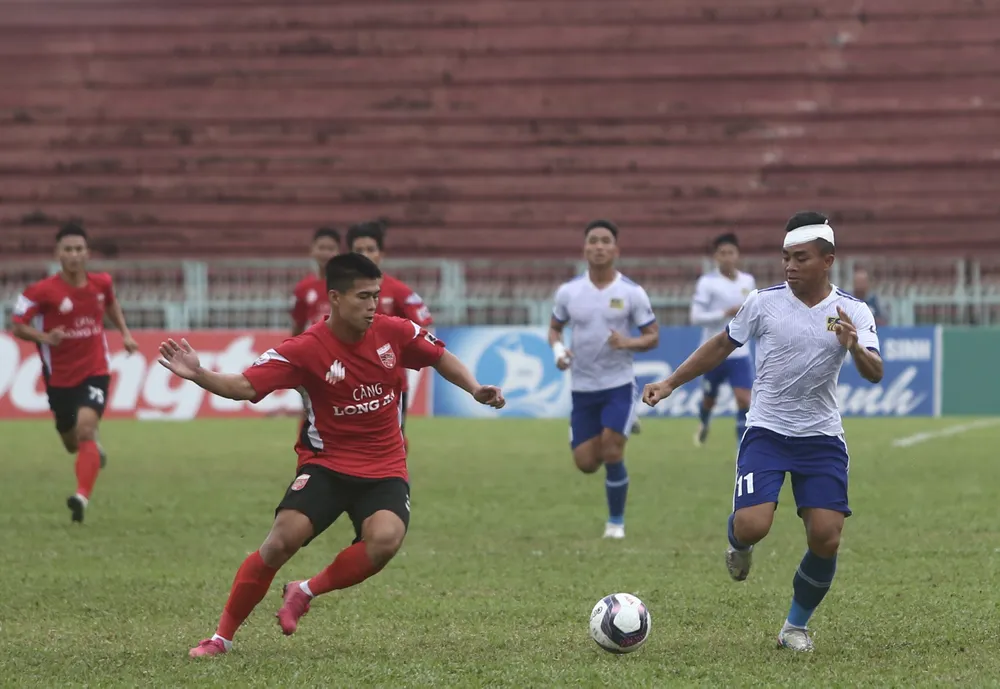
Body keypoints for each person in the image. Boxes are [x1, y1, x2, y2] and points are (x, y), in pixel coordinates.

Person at [158, 253, 505, 658]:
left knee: (386, 541)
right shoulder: (305, 350)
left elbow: (439, 356)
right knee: (280, 543)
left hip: (384, 467)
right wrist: (199, 374)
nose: (373, 306)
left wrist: (475, 387)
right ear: (335, 298)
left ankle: (304, 591)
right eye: (363, 297)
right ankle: (220, 639)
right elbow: (245, 387)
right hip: (327, 466)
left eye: (376, 296)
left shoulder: (396, 332)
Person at [643, 211, 883, 652]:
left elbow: (875, 371)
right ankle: (738, 543)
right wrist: (670, 383)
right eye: (786, 257)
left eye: (801, 258)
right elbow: (721, 345)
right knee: (753, 526)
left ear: (827, 260)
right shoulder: (763, 302)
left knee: (826, 536)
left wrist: (853, 346)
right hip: (768, 432)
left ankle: (794, 627)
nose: (790, 266)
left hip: (821, 438)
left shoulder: (854, 311)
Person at [10, 223, 139, 523]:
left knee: (85, 429)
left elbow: (111, 304)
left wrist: (125, 333)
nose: (74, 255)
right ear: (58, 254)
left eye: (79, 249)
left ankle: (81, 496)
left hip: (95, 370)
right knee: (72, 443)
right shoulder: (41, 291)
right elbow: (18, 325)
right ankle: (92, 451)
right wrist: (45, 338)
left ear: (87, 253)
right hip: (60, 379)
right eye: (68, 249)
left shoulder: (101, 283)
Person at [548, 220, 659, 540]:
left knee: (612, 452)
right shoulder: (569, 292)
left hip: (618, 385)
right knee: (586, 463)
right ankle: (621, 426)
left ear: (616, 250)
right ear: (585, 249)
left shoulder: (631, 292)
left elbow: (652, 337)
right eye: (593, 240)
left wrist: (628, 343)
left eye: (605, 241)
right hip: (582, 387)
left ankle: (615, 523)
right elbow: (554, 328)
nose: (599, 246)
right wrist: (558, 350)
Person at [346, 221, 434, 452]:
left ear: (381, 254)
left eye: (370, 249)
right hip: (344, 382)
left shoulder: (398, 292)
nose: (364, 255)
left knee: (389, 448)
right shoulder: (337, 292)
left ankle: (395, 487)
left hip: (389, 387)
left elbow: (424, 331)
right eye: (358, 250)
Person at [690, 233, 757, 447]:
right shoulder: (707, 283)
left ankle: (742, 449)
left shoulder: (748, 281)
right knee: (709, 400)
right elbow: (695, 316)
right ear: (715, 257)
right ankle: (704, 421)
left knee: (744, 400)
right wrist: (724, 312)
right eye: (722, 253)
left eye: (731, 253)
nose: (727, 257)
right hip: (713, 351)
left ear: (737, 256)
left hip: (739, 351)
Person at [290, 227, 341, 336]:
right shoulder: (303, 287)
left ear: (338, 252)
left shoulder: (346, 285)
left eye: (331, 249)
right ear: (312, 250)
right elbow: (298, 325)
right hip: (313, 346)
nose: (326, 253)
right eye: (321, 248)